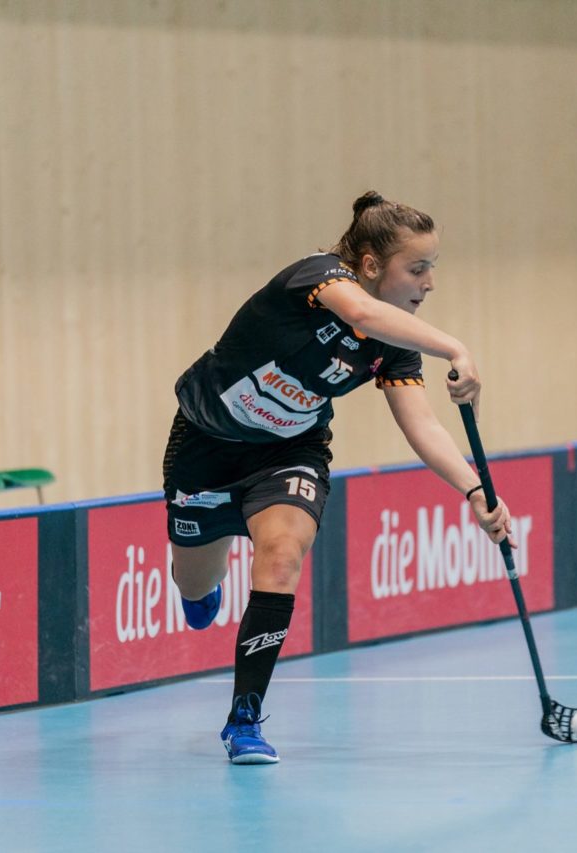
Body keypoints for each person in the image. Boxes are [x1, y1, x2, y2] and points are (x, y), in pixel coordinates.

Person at [163, 191, 513, 761]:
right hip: (206, 447)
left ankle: (244, 718)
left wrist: (474, 489)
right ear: (372, 266)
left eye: (433, 269)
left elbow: (421, 425)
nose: (429, 283)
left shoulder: (394, 346)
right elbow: (362, 313)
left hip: (288, 453)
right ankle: (199, 587)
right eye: (417, 268)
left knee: (280, 557)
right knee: (194, 588)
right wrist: (456, 347)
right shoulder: (316, 277)